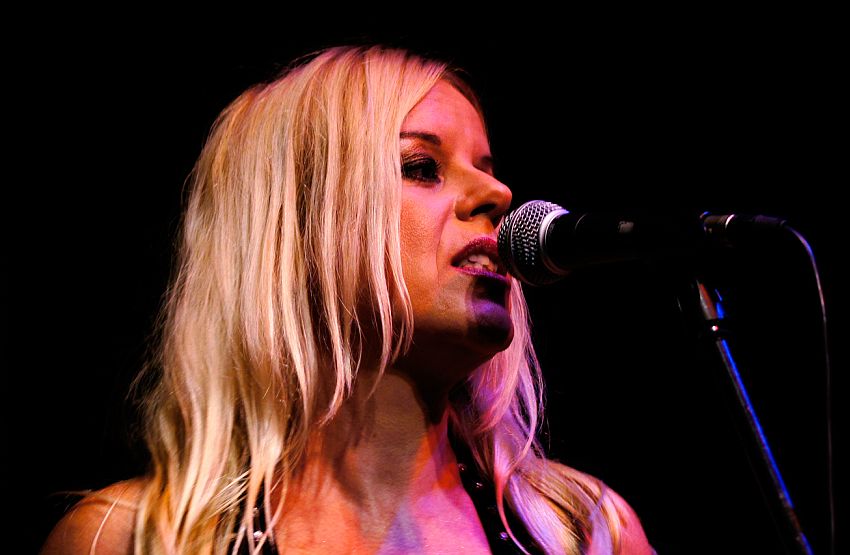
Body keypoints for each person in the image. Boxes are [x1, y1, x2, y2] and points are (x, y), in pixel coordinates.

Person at [41, 44, 654, 555]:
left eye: (486, 166)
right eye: (421, 167)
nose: (498, 192)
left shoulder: (584, 533)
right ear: (294, 230)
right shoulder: (130, 540)